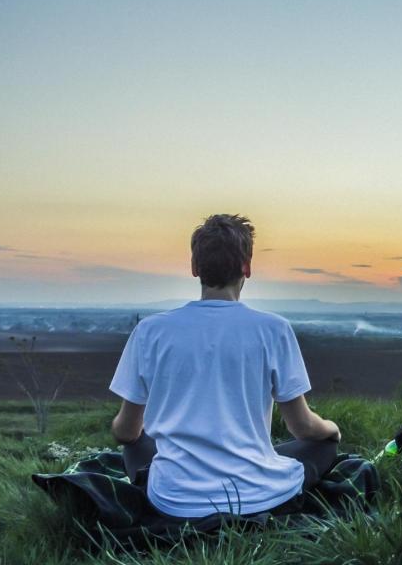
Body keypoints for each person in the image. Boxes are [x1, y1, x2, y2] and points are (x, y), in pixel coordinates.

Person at [108, 214, 341, 519]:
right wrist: (332, 430)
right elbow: (303, 428)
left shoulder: (150, 331)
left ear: (195, 268)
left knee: (136, 443)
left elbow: (125, 432)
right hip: (258, 496)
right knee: (323, 447)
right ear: (247, 267)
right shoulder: (274, 329)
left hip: (174, 500)